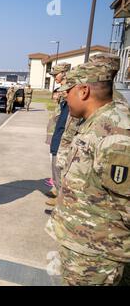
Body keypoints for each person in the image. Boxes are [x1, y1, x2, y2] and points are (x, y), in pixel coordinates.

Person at [46, 60, 130, 286]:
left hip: (99, 258)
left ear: (84, 91)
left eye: (68, 92)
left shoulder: (115, 134)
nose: (65, 98)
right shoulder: (97, 122)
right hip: (86, 249)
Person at [45, 63, 72, 204]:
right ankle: (57, 189)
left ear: (64, 73)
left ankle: (60, 196)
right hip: (58, 132)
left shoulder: (71, 90)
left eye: (56, 74)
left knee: (60, 166)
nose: (55, 77)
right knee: (54, 161)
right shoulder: (62, 92)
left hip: (64, 135)